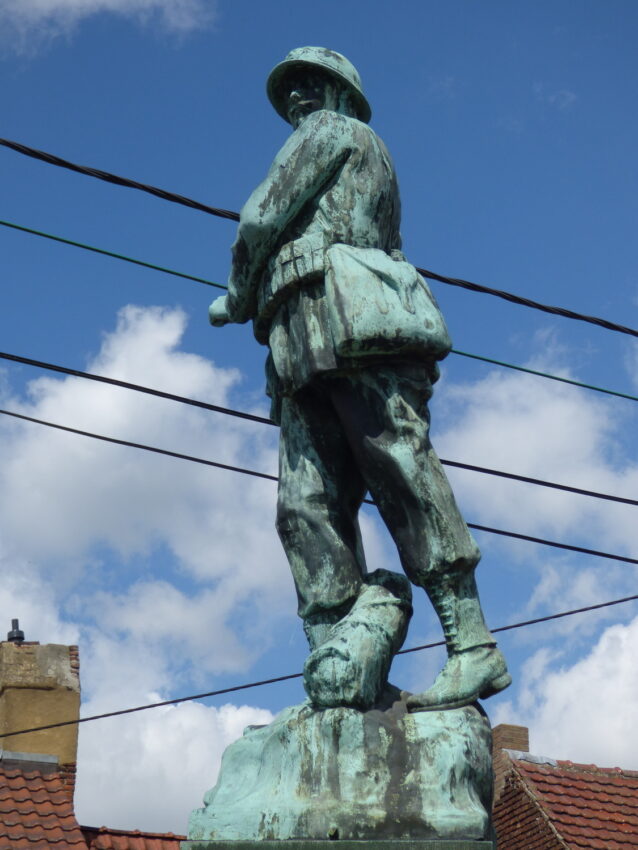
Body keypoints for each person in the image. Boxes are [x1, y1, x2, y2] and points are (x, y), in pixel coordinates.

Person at [209, 47, 510, 712]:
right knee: (304, 504)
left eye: (312, 83)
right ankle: (337, 667)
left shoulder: (335, 131)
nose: (299, 96)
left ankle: (472, 644)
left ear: (345, 94)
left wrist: (236, 293)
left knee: (396, 466)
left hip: (345, 315)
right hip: (299, 330)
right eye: (291, 88)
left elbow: (260, 217)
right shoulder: (344, 142)